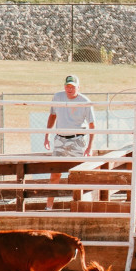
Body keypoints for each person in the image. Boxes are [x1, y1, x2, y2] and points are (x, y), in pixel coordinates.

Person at [43, 75, 95, 210]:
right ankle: (48, 207)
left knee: (78, 175)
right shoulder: (57, 97)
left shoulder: (85, 101)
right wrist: (47, 135)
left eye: (72, 87)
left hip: (78, 140)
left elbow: (92, 125)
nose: (69, 89)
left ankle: (80, 207)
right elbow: (52, 115)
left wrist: (89, 146)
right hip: (60, 139)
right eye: (67, 86)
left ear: (78, 87)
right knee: (55, 173)